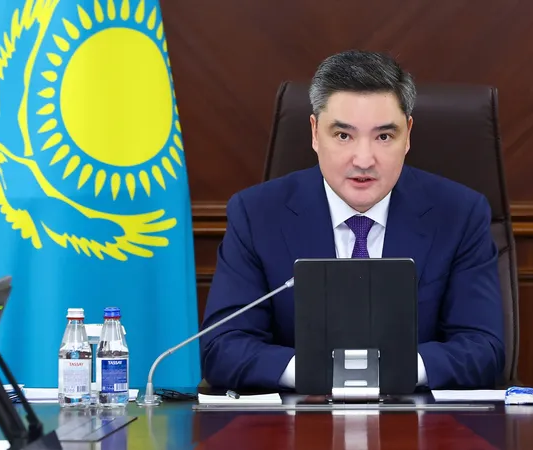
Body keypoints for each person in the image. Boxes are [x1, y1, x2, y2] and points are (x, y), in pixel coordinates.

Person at [200, 50, 504, 391]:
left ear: (408, 135)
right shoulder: (257, 214)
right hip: (298, 417)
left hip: (417, 418)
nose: (363, 160)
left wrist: (394, 370)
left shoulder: (459, 214)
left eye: (384, 137)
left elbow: (484, 350)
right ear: (315, 133)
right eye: (343, 135)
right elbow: (222, 347)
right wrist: (319, 373)